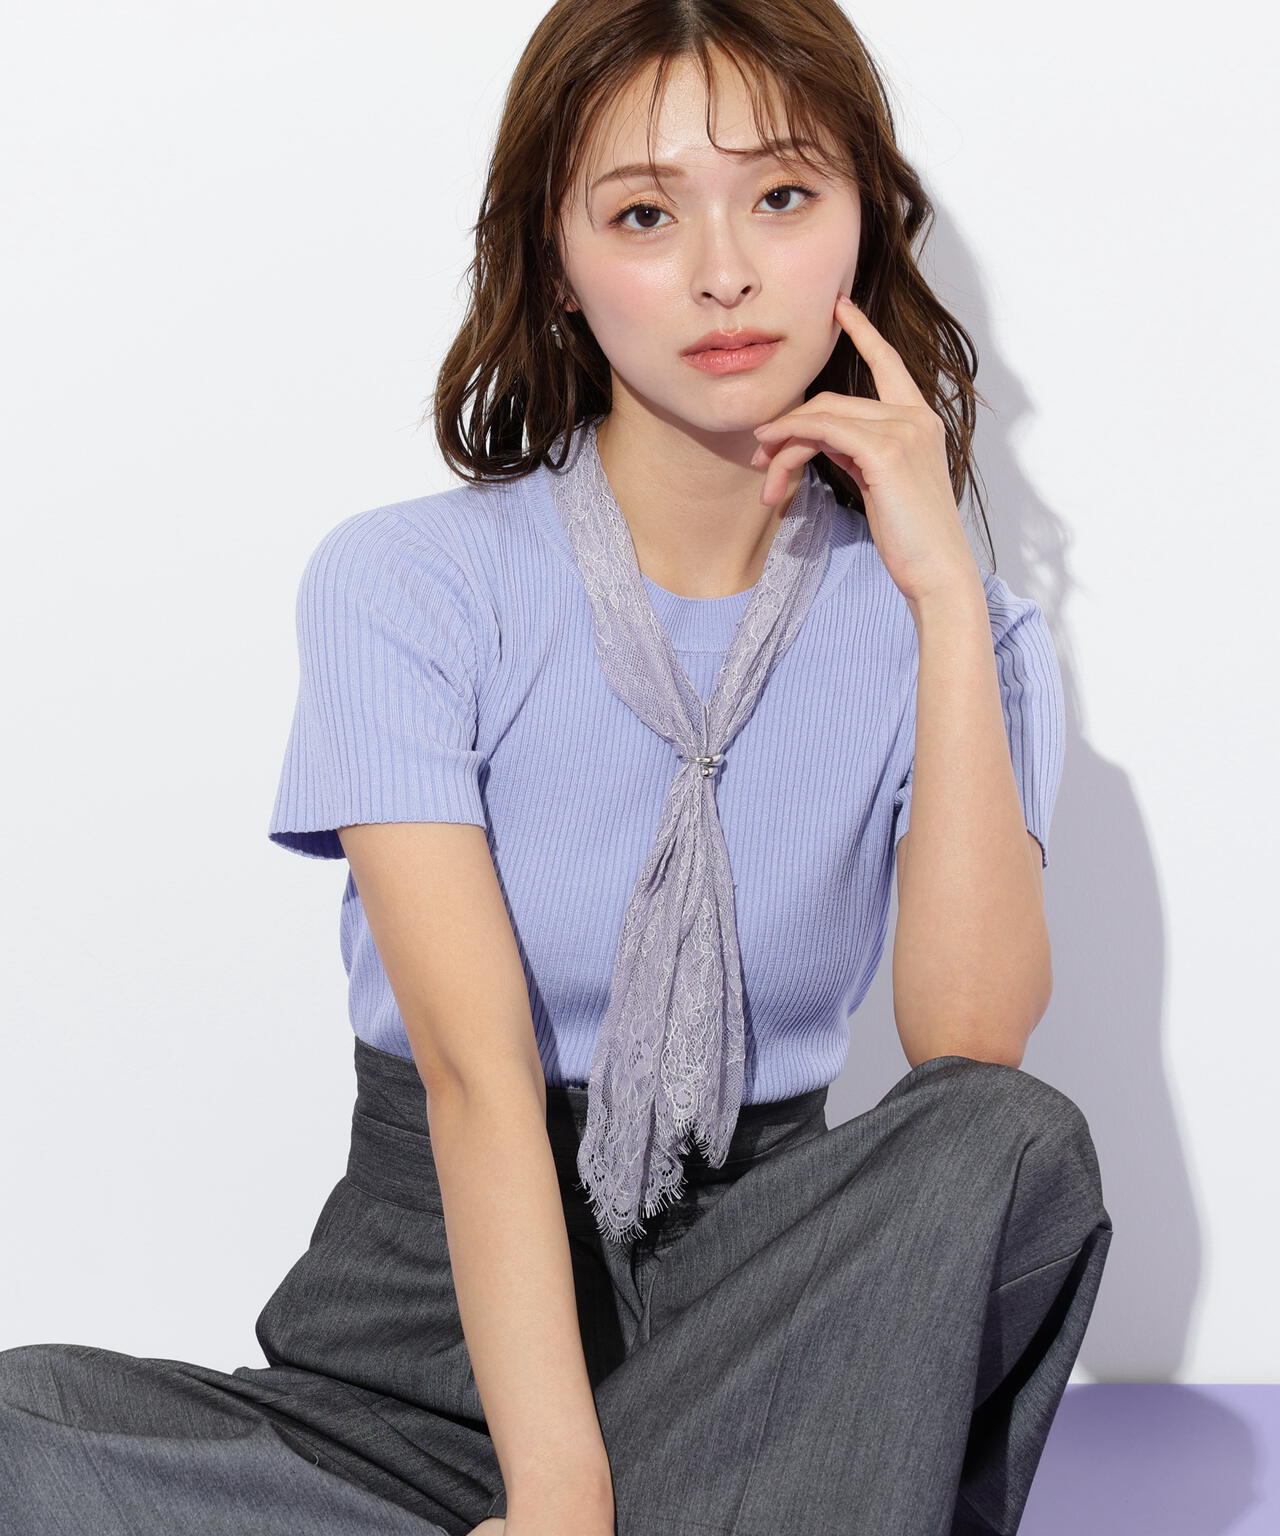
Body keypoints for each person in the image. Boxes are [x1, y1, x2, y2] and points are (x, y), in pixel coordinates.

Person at [0, 3, 1113, 1534]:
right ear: (560, 258)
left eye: (782, 196)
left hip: (763, 1322)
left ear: (863, 219)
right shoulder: (413, 585)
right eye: (646, 214)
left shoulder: (959, 634)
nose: (724, 270)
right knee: (23, 1427)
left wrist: (938, 599)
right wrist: (562, 1496)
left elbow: (969, 1041)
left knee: (1013, 1142)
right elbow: (475, 1076)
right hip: (433, 1341)